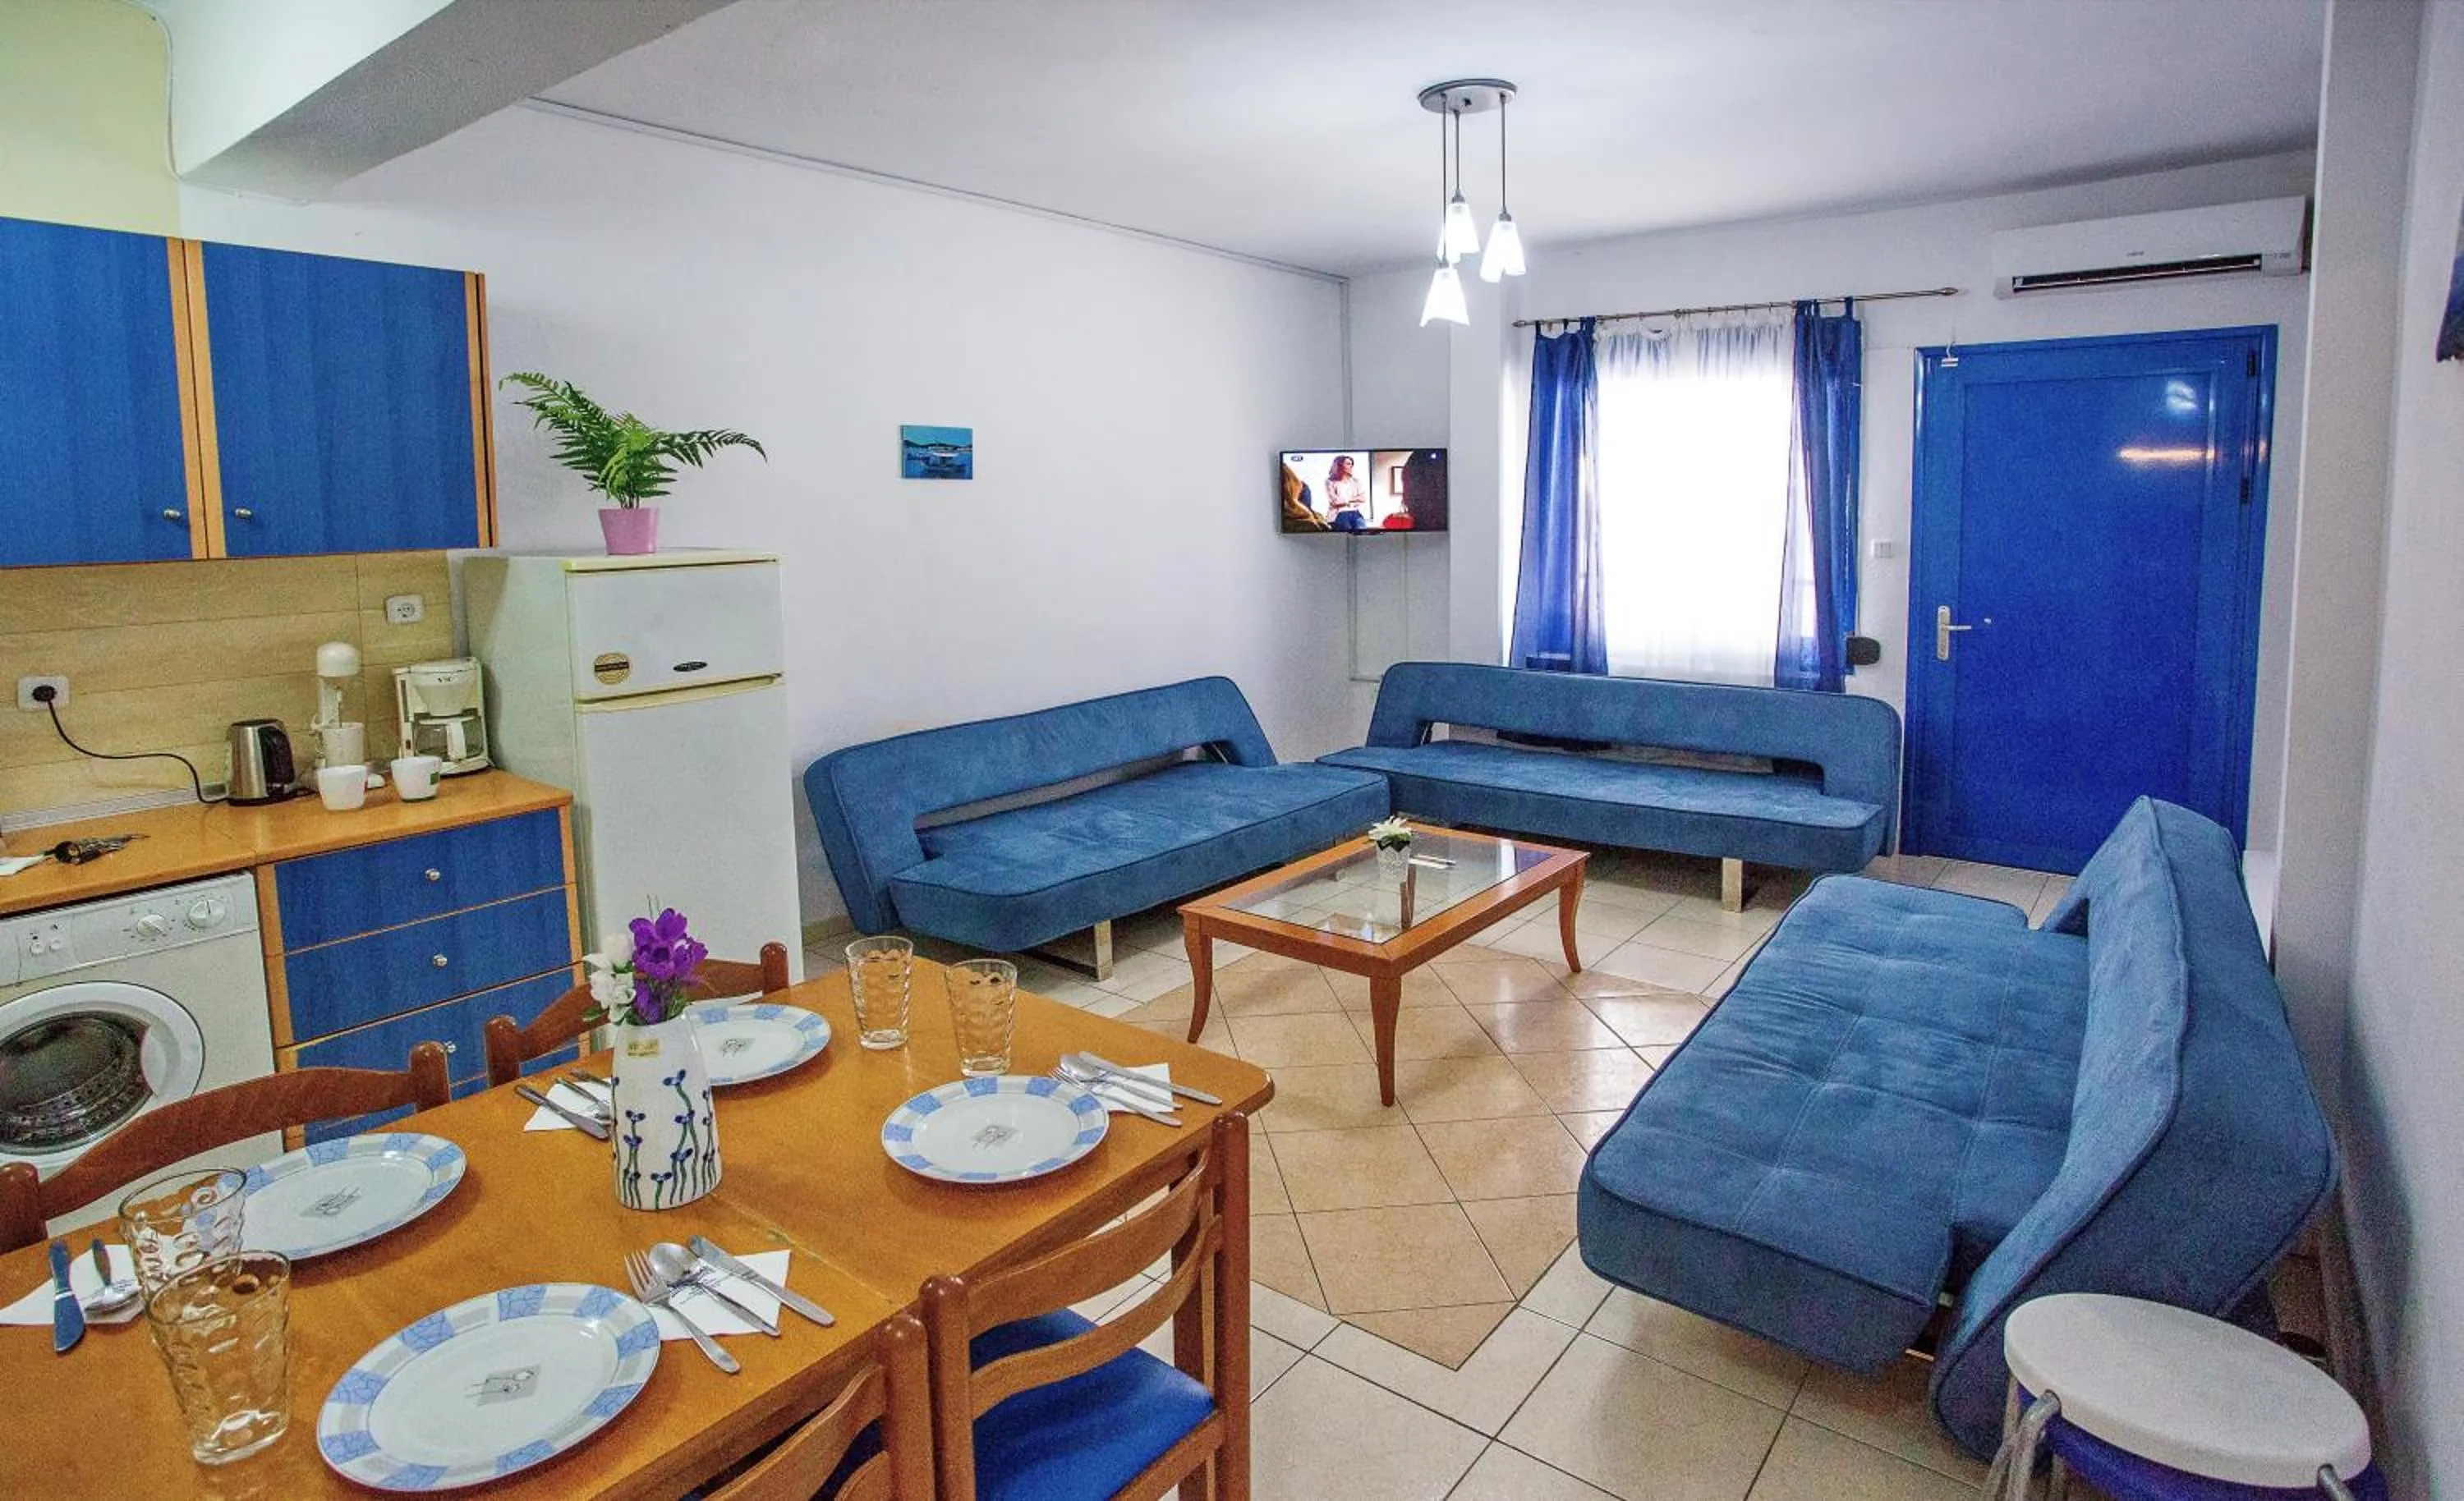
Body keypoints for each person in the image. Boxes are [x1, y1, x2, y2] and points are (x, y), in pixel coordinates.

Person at [1325, 454, 1368, 532]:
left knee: (1362, 532)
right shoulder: (1330, 482)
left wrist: (1345, 501)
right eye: (1348, 464)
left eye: (1352, 464)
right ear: (1340, 465)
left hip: (1355, 513)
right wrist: (1354, 499)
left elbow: (1363, 498)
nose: (1351, 466)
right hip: (1339, 514)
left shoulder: (1355, 481)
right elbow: (1335, 502)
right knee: (1346, 534)